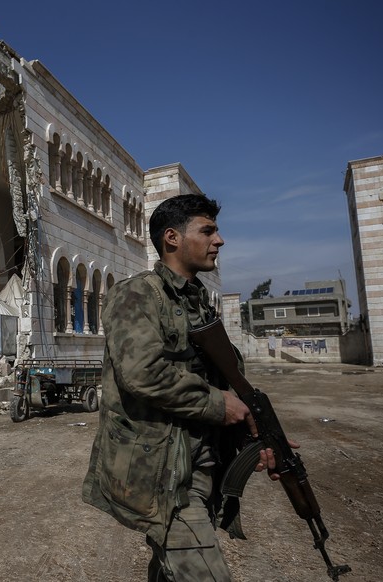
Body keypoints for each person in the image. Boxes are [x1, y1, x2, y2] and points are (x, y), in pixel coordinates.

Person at [82, 193, 281, 581]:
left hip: (201, 467)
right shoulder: (138, 293)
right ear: (171, 238)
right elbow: (142, 373)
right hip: (163, 476)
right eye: (207, 231)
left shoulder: (199, 303)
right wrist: (220, 404)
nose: (219, 240)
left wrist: (257, 433)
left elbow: (223, 380)